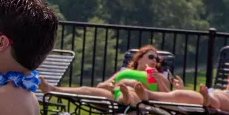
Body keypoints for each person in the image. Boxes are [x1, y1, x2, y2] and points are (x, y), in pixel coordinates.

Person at [38, 44, 178, 99]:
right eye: (151, 57)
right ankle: (52, 89)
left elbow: (167, 97)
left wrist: (159, 79)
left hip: (143, 98)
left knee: (131, 89)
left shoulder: (158, 76)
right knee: (87, 88)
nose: (154, 60)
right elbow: (101, 85)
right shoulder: (124, 72)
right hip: (114, 94)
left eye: (157, 58)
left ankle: (126, 95)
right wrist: (109, 86)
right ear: (140, 59)